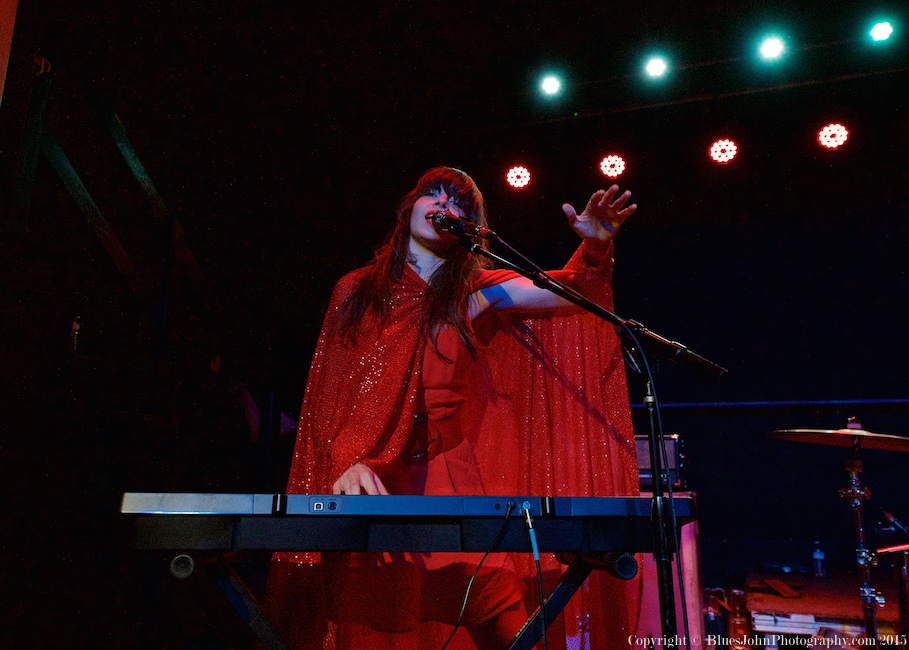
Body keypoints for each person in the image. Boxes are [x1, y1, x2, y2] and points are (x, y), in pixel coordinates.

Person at [264, 167, 641, 649]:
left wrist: (594, 249)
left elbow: (571, 294)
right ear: (409, 207)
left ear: (472, 227)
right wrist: (345, 461)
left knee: (503, 615)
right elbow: (329, 399)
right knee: (361, 621)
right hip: (373, 475)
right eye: (432, 194)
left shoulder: (477, 290)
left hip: (448, 475)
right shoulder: (356, 291)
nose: (445, 206)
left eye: (459, 203)